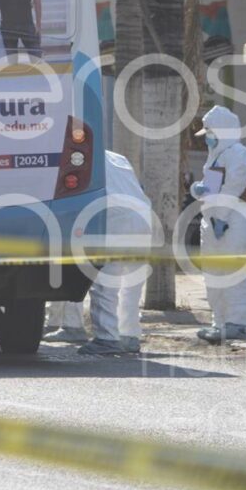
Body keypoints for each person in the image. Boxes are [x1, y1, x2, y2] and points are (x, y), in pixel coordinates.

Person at [189, 105, 246, 345]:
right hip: (214, 222)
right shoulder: (216, 156)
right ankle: (219, 322)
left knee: (234, 274)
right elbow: (211, 190)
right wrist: (196, 190)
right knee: (214, 276)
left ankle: (237, 323)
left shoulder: (239, 154)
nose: (207, 139)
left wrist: (222, 217)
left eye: (210, 133)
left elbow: (234, 188)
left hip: (234, 221)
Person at [78, 151, 154, 355]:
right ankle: (129, 336)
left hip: (114, 220)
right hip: (142, 218)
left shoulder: (83, 156)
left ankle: (106, 338)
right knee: (132, 283)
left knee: (106, 284)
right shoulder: (117, 157)